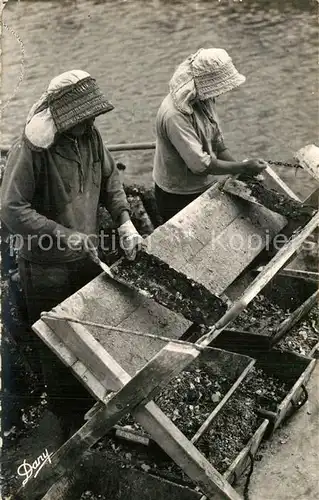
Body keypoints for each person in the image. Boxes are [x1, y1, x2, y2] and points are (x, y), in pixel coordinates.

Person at [1, 70, 143, 438]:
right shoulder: (31, 150)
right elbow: (12, 209)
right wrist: (62, 235)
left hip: (85, 256)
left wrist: (125, 220)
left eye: (93, 115)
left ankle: (97, 410)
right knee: (56, 344)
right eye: (84, 116)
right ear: (64, 116)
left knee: (90, 334)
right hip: (46, 264)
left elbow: (111, 178)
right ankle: (69, 427)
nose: (92, 121)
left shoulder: (90, 136)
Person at [153, 48, 268, 221]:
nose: (221, 92)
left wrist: (240, 171)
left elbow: (216, 142)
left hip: (203, 183)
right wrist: (243, 167)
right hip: (177, 193)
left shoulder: (204, 99)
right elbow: (201, 166)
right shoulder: (174, 116)